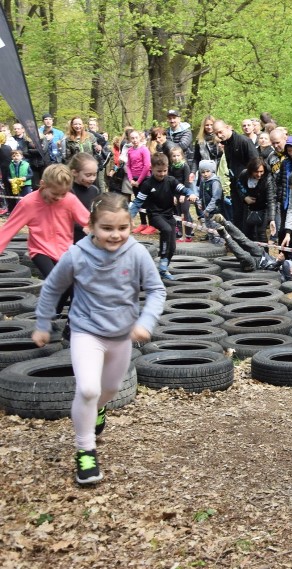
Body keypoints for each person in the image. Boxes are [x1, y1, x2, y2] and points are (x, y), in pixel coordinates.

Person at [31, 193, 166, 485]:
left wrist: (146, 321)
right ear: (90, 226)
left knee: (108, 391)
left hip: (121, 336)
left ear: (130, 227)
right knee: (89, 389)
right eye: (107, 228)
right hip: (85, 331)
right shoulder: (76, 255)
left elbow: (157, 290)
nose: (115, 235)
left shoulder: (137, 253)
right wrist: (43, 324)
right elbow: (52, 289)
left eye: (122, 228)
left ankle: (99, 408)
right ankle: (85, 451)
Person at [0, 164, 90, 319]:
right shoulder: (28, 203)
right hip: (40, 251)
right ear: (42, 184)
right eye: (55, 194)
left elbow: (89, 222)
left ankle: (60, 320)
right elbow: (8, 230)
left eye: (63, 194)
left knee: (75, 287)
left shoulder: (69, 200)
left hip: (65, 251)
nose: (60, 198)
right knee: (59, 282)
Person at [128, 153, 196, 279]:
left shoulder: (171, 181)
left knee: (172, 247)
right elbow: (138, 202)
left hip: (168, 215)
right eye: (159, 171)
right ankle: (163, 261)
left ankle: (163, 270)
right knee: (166, 230)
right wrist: (129, 216)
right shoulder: (147, 184)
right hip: (155, 215)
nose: (162, 174)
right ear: (151, 169)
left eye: (165, 170)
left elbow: (184, 189)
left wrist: (190, 193)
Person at [213, 119, 259, 232]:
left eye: (221, 131)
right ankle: (240, 245)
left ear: (228, 127)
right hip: (236, 186)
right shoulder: (227, 145)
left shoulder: (244, 141)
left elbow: (257, 164)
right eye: (216, 133)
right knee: (237, 218)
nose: (219, 135)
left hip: (250, 186)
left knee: (251, 222)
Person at [236, 156, 276, 245]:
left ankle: (264, 256)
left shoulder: (268, 179)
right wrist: (244, 197)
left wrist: (272, 219)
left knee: (261, 233)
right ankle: (250, 254)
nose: (259, 174)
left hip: (263, 207)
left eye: (261, 171)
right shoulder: (244, 174)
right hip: (249, 206)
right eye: (256, 172)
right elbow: (239, 186)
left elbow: (271, 200)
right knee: (247, 232)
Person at [124, 131, 153, 234]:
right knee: (138, 202)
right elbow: (128, 165)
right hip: (134, 179)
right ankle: (143, 223)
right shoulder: (130, 150)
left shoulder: (144, 150)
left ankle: (152, 224)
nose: (134, 140)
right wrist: (131, 179)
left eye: (136, 138)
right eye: (132, 138)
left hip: (145, 179)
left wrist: (139, 181)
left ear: (140, 138)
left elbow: (146, 166)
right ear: (130, 139)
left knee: (148, 201)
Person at [68, 153, 101, 243]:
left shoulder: (95, 190)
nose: (92, 178)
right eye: (88, 175)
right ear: (74, 172)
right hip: (71, 237)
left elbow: (96, 212)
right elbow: (64, 217)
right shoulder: (68, 191)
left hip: (89, 236)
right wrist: (82, 227)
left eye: (94, 174)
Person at [195, 159, 225, 244]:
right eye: (203, 172)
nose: (205, 174)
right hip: (206, 210)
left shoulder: (215, 182)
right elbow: (200, 194)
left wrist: (208, 209)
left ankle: (220, 244)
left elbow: (216, 197)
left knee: (216, 226)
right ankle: (212, 242)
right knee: (209, 227)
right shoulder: (203, 182)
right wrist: (200, 203)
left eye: (207, 171)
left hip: (215, 210)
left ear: (212, 170)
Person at [168, 147, 194, 242]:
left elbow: (187, 181)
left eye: (178, 155)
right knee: (178, 213)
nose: (176, 158)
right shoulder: (172, 167)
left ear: (182, 156)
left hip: (185, 192)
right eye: (174, 156)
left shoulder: (185, 166)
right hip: (176, 193)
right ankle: (180, 232)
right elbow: (171, 181)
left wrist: (184, 194)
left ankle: (188, 234)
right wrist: (174, 195)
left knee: (185, 212)